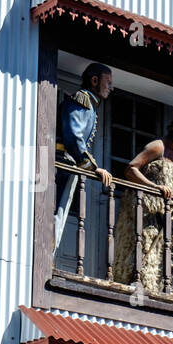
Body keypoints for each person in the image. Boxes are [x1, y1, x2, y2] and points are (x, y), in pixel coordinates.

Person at [111, 110, 173, 298]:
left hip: (168, 218)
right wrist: (155, 187)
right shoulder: (158, 147)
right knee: (147, 251)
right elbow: (131, 169)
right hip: (148, 215)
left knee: (167, 255)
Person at [55, 63, 114, 242]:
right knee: (54, 213)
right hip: (62, 164)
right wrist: (93, 167)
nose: (111, 87)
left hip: (67, 165)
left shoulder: (90, 105)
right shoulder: (82, 100)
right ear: (94, 80)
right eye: (108, 82)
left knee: (58, 214)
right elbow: (74, 136)